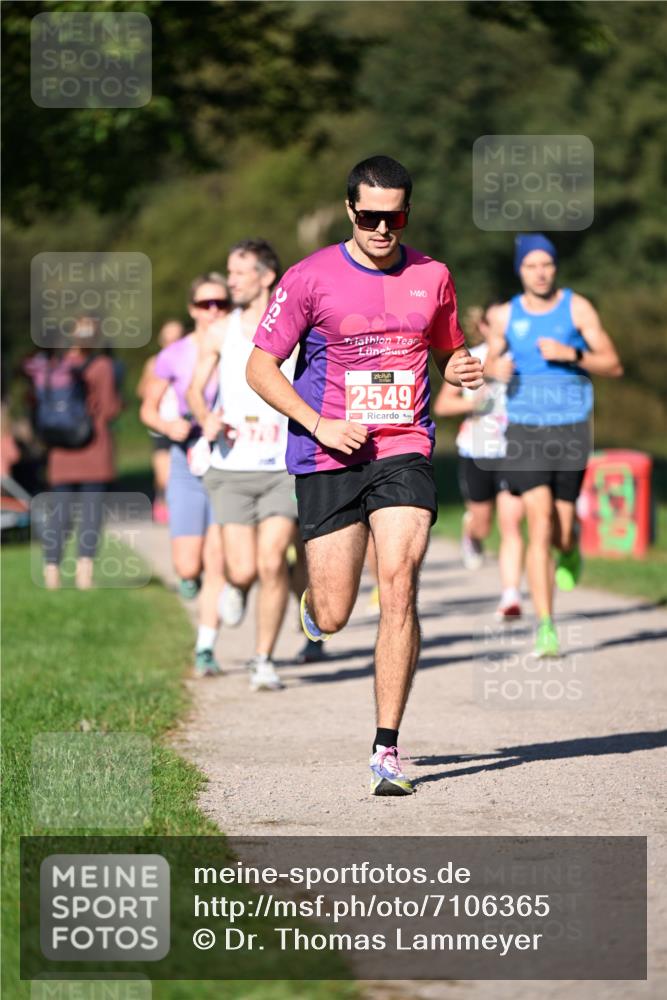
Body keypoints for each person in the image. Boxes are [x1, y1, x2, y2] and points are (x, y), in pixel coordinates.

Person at [246, 155, 483, 794]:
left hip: (403, 445)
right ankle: (314, 610)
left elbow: (449, 345)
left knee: (400, 580)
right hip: (328, 453)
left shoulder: (432, 275)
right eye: (371, 216)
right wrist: (319, 425)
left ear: (408, 212)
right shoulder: (308, 277)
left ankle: (386, 749)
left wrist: (459, 367)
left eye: (395, 216)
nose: (383, 229)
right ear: (351, 210)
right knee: (336, 608)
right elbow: (261, 368)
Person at [485, 234, 623, 656]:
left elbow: (613, 364)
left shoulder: (576, 307)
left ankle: (571, 547)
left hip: (571, 429)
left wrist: (572, 354)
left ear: (555, 268)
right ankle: (546, 627)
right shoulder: (506, 315)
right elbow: (488, 361)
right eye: (531, 266)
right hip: (525, 429)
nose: (540, 273)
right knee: (538, 522)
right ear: (520, 270)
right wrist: (497, 369)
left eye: (547, 265)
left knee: (561, 529)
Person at [187, 240, 300, 693]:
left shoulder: (296, 326)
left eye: (238, 273)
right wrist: (204, 416)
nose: (230, 280)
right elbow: (197, 389)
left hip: (281, 466)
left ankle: (263, 659)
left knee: (273, 561)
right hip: (231, 468)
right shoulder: (220, 331)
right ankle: (237, 584)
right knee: (244, 568)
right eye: (229, 273)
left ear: (266, 276)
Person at [140, 275, 229, 677]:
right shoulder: (174, 354)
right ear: (192, 308)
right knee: (188, 564)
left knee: (218, 561)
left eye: (221, 303)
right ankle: (188, 579)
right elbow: (147, 408)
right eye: (206, 304)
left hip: (229, 459)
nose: (213, 311)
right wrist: (165, 424)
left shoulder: (241, 346)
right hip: (184, 455)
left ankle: (205, 648)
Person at [434, 304, 525, 619]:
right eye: (499, 324)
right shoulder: (470, 358)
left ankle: (510, 596)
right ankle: (471, 532)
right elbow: (443, 405)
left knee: (511, 524)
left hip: (515, 452)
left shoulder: (524, 355)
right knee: (484, 523)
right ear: (484, 327)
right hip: (477, 450)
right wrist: (477, 395)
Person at [24, 318, 122, 589]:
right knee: (91, 511)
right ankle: (84, 574)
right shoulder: (102, 366)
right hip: (94, 447)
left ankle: (51, 572)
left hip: (60, 450)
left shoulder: (53, 367)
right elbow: (110, 407)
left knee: (61, 512)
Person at [137, 319, 186, 524]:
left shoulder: (193, 359)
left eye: (177, 338)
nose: (173, 343)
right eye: (168, 339)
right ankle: (163, 499)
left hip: (186, 425)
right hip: (162, 426)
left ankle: (183, 509)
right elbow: (141, 392)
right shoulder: (154, 362)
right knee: (164, 476)